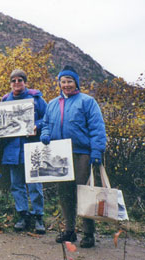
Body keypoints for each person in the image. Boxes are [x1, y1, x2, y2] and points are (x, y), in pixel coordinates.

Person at [40, 65, 106, 248]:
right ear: (59, 83)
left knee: (84, 193)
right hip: (59, 154)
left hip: (81, 153)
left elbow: (97, 128)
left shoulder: (87, 102)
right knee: (65, 193)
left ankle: (88, 233)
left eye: (69, 81)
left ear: (76, 82)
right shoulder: (53, 104)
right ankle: (69, 230)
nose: (66, 85)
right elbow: (45, 123)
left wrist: (96, 151)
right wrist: (44, 134)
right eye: (63, 81)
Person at [0, 69, 47, 233]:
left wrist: (37, 126)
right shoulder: (5, 101)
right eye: (14, 80)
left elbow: (47, 118)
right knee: (16, 185)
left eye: (20, 80)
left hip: (31, 147)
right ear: (10, 83)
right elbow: (1, 124)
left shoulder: (36, 99)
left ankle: (38, 216)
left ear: (25, 82)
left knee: (35, 184)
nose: (17, 83)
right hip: (13, 149)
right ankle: (22, 215)